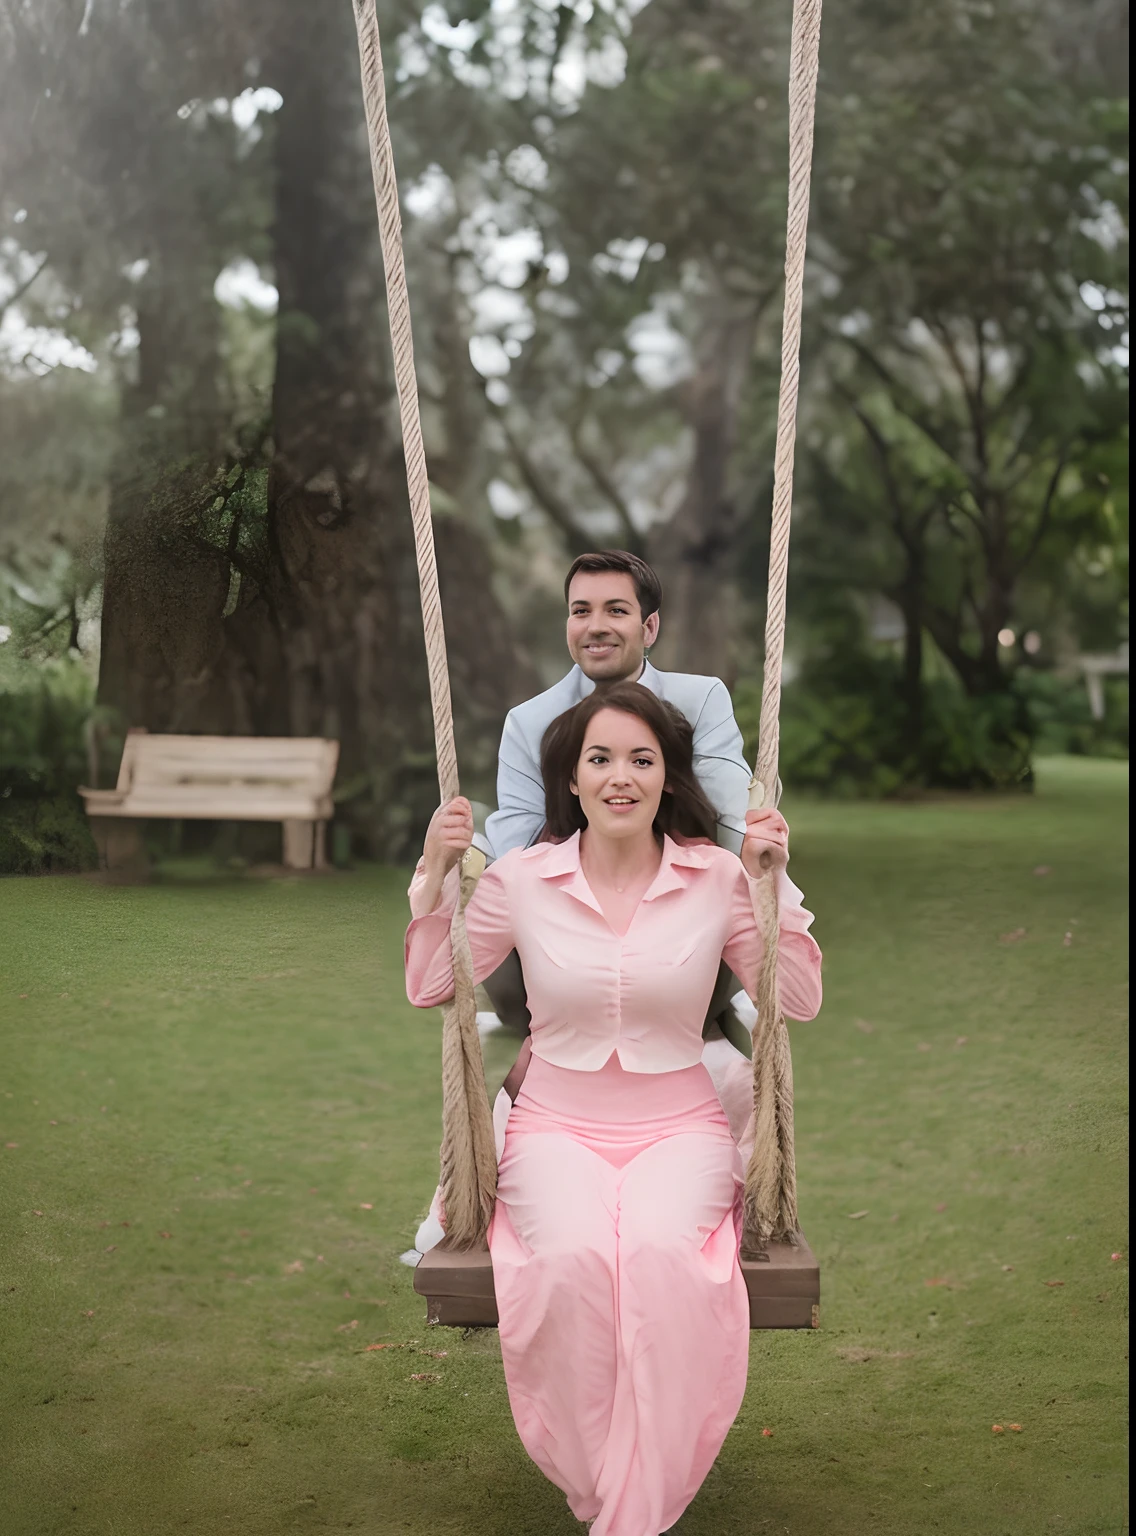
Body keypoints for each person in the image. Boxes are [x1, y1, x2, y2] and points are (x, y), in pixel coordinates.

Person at [405, 683, 822, 1536]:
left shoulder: (714, 877)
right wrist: (432, 879)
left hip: (680, 1129)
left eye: (642, 759)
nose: (620, 777)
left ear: (669, 777)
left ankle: (630, 1511)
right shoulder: (524, 879)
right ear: (573, 777)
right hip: (555, 1128)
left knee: (666, 1265)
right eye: (601, 759)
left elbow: (800, 999)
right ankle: (609, 1493)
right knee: (571, 1264)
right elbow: (431, 985)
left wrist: (776, 891)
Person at [406, 549, 758, 1261]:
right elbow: (511, 834)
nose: (597, 626)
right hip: (562, 930)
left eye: (616, 610)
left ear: (650, 626)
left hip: (682, 929)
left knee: (711, 1024)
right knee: (533, 973)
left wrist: (678, 845)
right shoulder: (530, 720)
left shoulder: (700, 698)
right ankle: (479, 1184)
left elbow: (726, 804)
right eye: (581, 611)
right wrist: (478, 872)